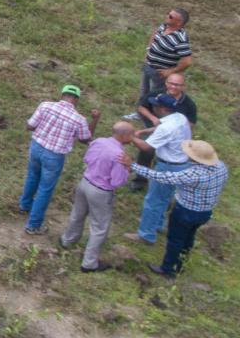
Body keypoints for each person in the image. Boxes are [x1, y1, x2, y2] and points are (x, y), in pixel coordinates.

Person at [126, 139, 226, 277]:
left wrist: (134, 166)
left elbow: (163, 177)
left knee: (175, 240)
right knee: (188, 238)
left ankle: (167, 269)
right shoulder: (221, 167)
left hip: (186, 211)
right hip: (205, 212)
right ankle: (180, 265)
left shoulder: (195, 174)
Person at [62, 120, 137, 271]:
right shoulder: (119, 155)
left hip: (85, 182)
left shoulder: (98, 141)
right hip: (101, 192)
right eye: (132, 134)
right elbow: (117, 181)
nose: (134, 137)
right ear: (125, 136)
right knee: (99, 227)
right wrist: (128, 169)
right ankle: (89, 264)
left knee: (77, 214)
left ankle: (67, 240)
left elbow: (87, 159)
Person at [20, 84, 94, 233]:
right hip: (54, 156)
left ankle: (25, 205)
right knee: (45, 189)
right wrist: (95, 119)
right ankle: (33, 225)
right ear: (76, 99)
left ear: (62, 95)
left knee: (32, 176)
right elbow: (85, 139)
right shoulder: (79, 119)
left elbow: (30, 126)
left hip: (36, 147)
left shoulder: (45, 105)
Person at [131, 91, 194, 243]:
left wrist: (129, 136)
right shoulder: (180, 117)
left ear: (163, 109)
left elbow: (146, 147)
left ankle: (146, 235)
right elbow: (160, 127)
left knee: (153, 200)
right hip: (181, 164)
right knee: (164, 198)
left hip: (168, 166)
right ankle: (158, 224)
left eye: (155, 105)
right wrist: (144, 131)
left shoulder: (167, 128)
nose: (153, 107)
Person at [140, 8, 193, 101]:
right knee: (144, 89)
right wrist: (149, 49)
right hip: (148, 65)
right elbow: (155, 34)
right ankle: (140, 112)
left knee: (154, 95)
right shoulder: (164, 26)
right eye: (168, 14)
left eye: (170, 16)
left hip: (160, 73)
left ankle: (150, 114)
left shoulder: (180, 39)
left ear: (179, 22)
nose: (167, 17)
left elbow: (187, 62)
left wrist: (171, 71)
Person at [136, 71, 199, 135]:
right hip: (151, 126)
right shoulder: (156, 93)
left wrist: (177, 131)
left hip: (173, 132)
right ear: (166, 83)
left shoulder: (189, 104)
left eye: (177, 85)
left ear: (183, 86)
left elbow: (191, 123)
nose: (173, 87)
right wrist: (153, 118)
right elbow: (141, 107)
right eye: (171, 83)